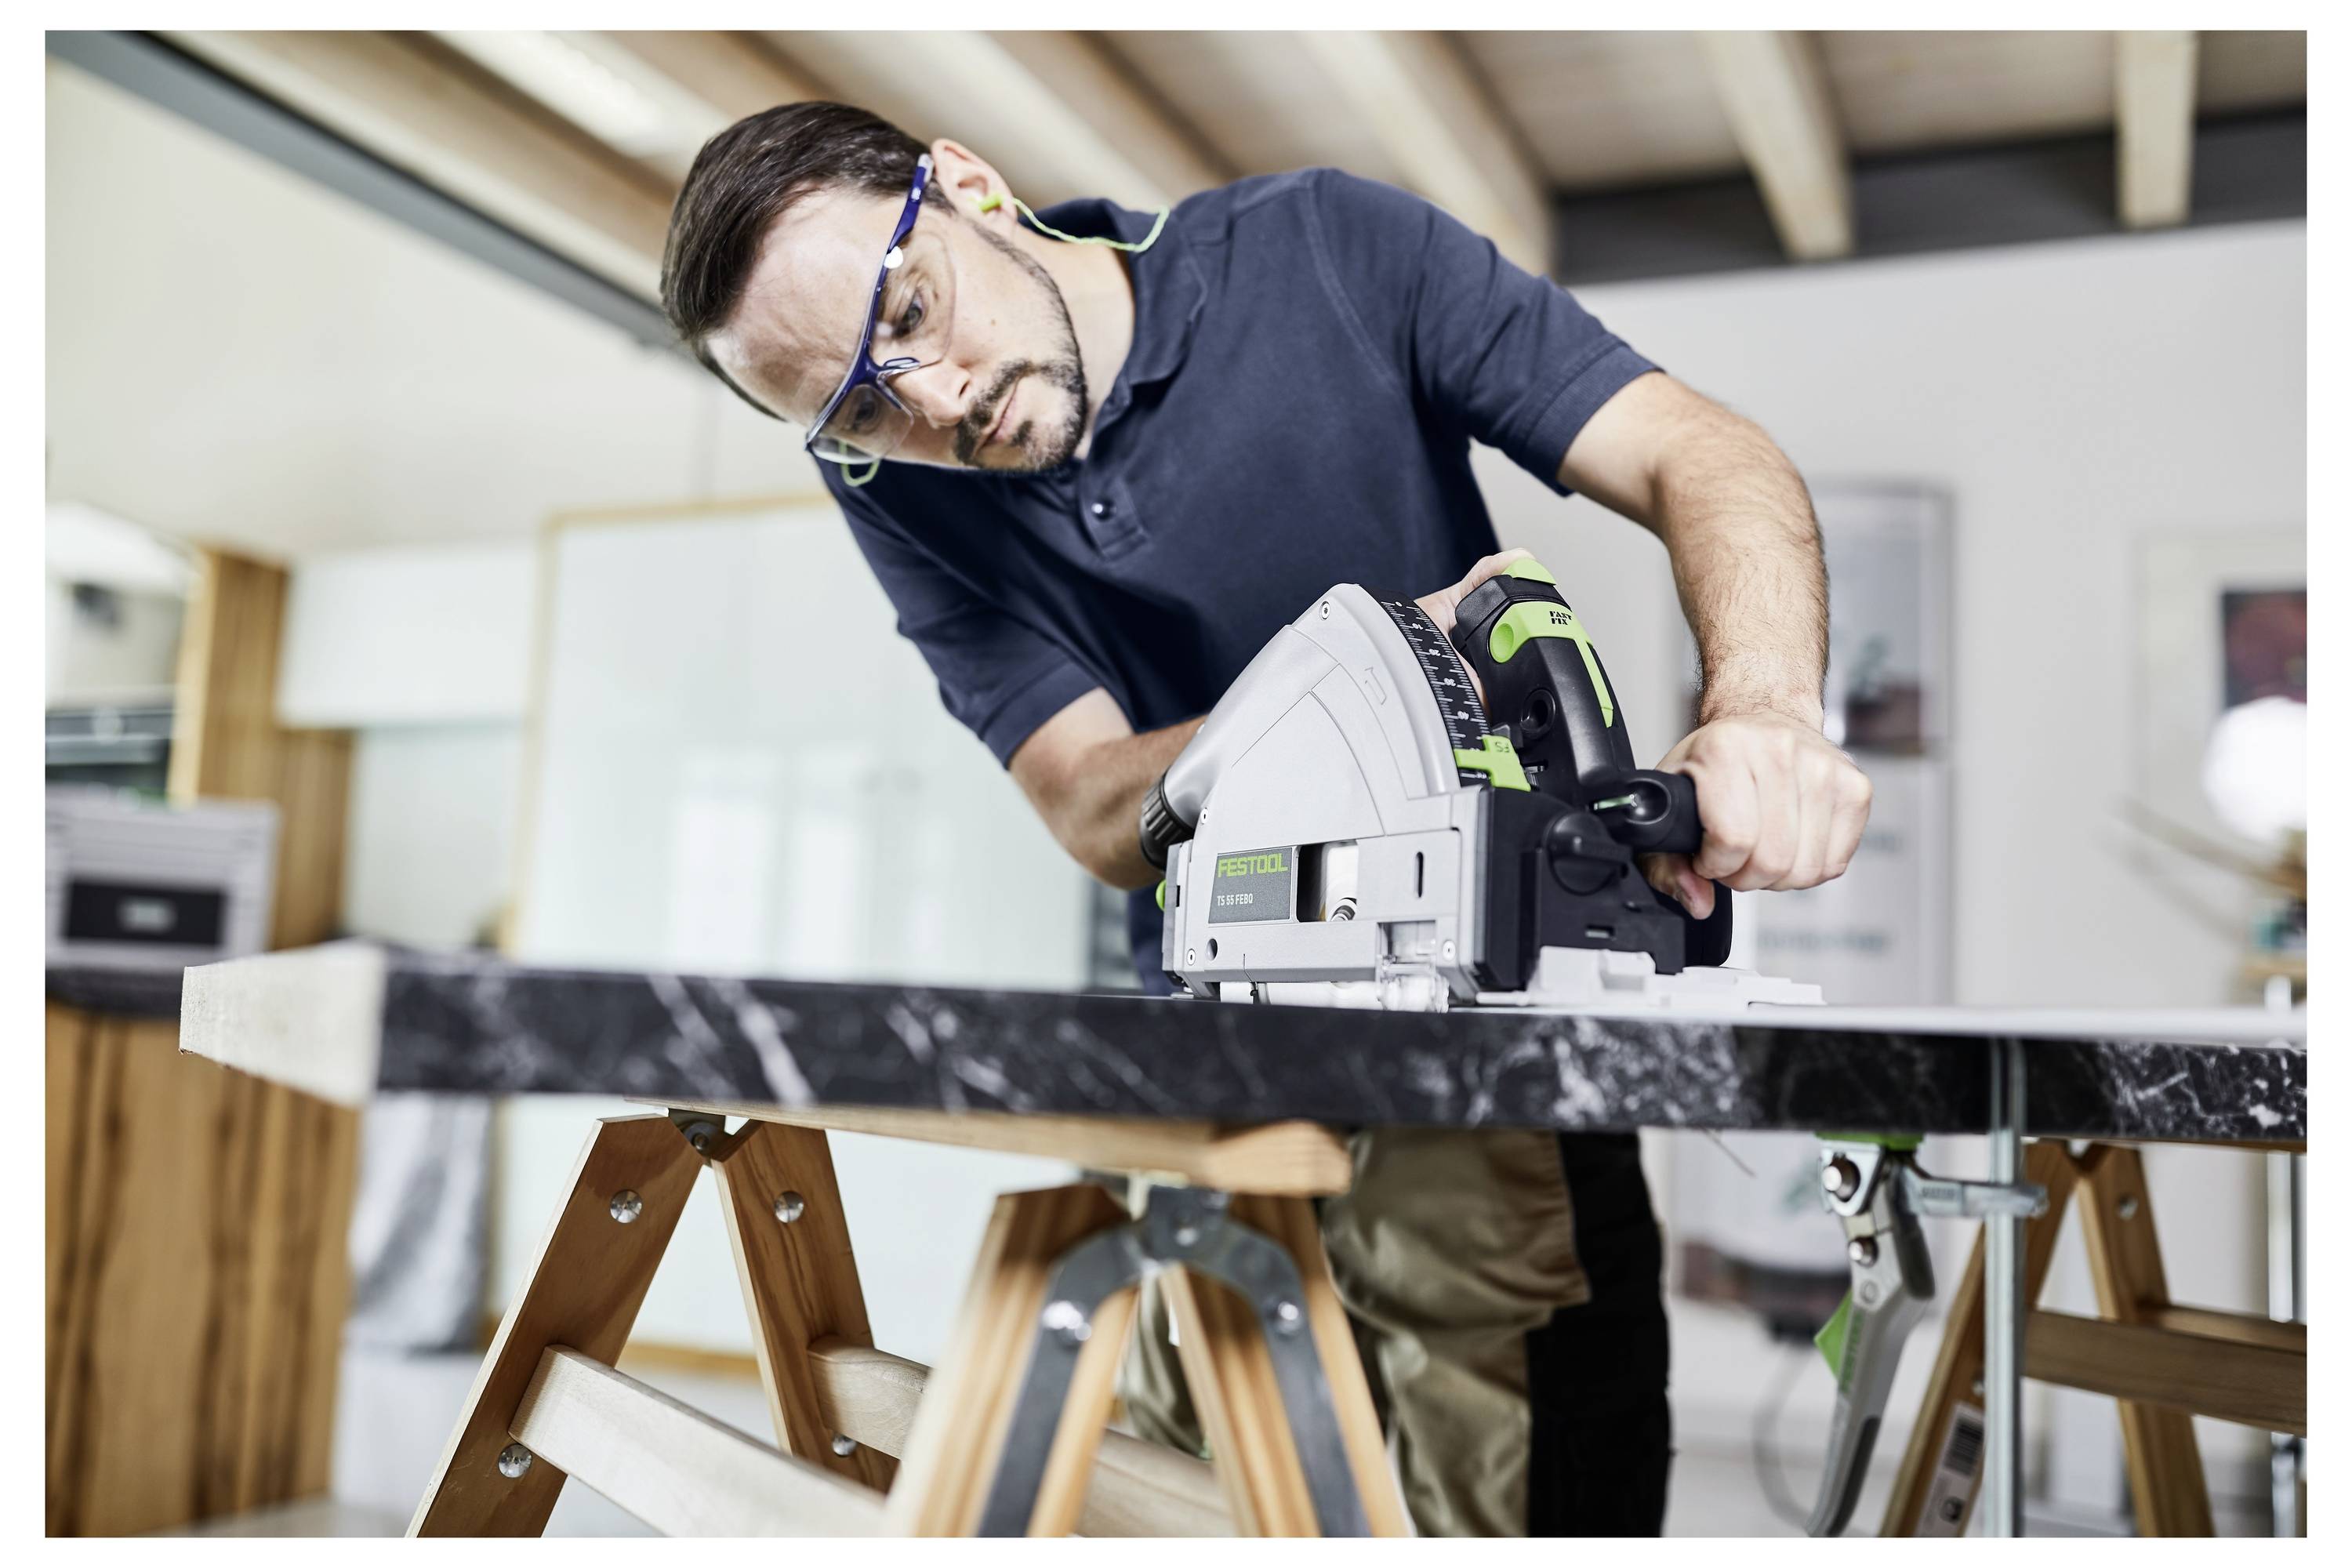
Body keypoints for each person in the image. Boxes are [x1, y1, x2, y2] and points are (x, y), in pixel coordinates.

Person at [659, 102, 1872, 1536]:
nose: (928, 402)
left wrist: (1771, 715)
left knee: (1534, 1503)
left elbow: (1703, 455)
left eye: (910, 313)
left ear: (971, 186)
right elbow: (1091, 802)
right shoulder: (885, 478)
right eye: (859, 406)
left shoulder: (1328, 252)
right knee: (1199, 1509)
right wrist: (1338, 671)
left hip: (1476, 1031)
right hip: (1207, 1045)